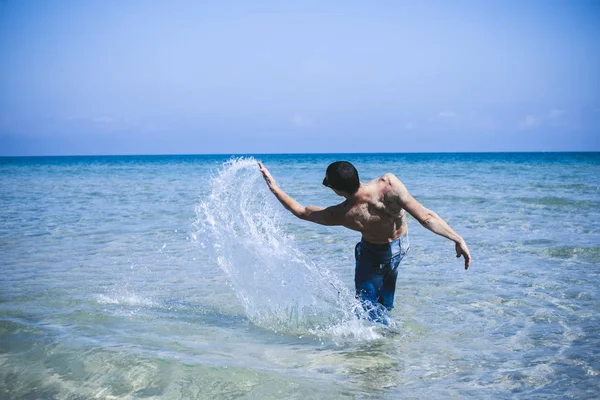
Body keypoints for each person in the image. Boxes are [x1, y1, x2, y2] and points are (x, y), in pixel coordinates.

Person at [257, 160, 471, 323]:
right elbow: (426, 217)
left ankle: (382, 343)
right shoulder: (390, 184)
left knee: (366, 310)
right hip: (401, 246)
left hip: (375, 254)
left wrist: (274, 188)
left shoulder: (344, 214)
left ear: (337, 190)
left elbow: (302, 212)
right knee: (384, 303)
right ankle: (389, 338)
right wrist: (457, 238)